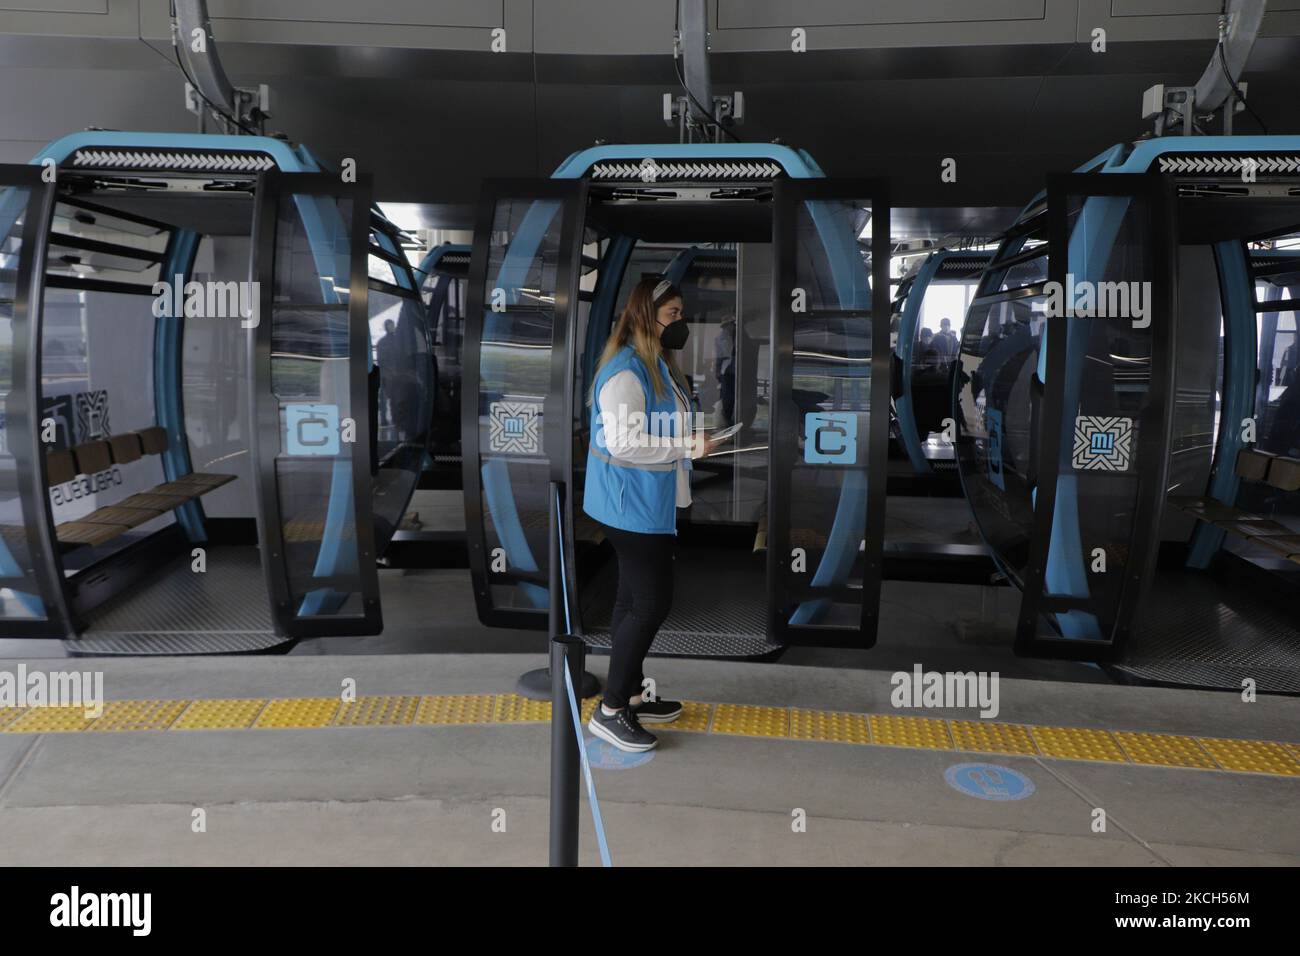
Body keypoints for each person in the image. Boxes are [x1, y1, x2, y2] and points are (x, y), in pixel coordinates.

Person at [583, 277, 722, 752]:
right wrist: (687, 445)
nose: (680, 323)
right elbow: (622, 442)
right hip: (630, 505)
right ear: (647, 316)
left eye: (681, 314)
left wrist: (697, 439)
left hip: (644, 500)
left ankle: (633, 695)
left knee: (630, 601)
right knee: (650, 604)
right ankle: (611, 710)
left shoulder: (656, 363)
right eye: (673, 314)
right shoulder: (627, 371)